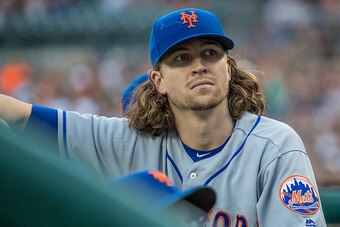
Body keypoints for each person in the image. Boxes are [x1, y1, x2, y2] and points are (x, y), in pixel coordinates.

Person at [0, 8, 326, 226]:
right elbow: (19, 115)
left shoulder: (274, 145)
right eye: (182, 58)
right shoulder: (128, 139)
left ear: (228, 69)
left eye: (210, 54)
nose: (199, 65)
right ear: (159, 81)